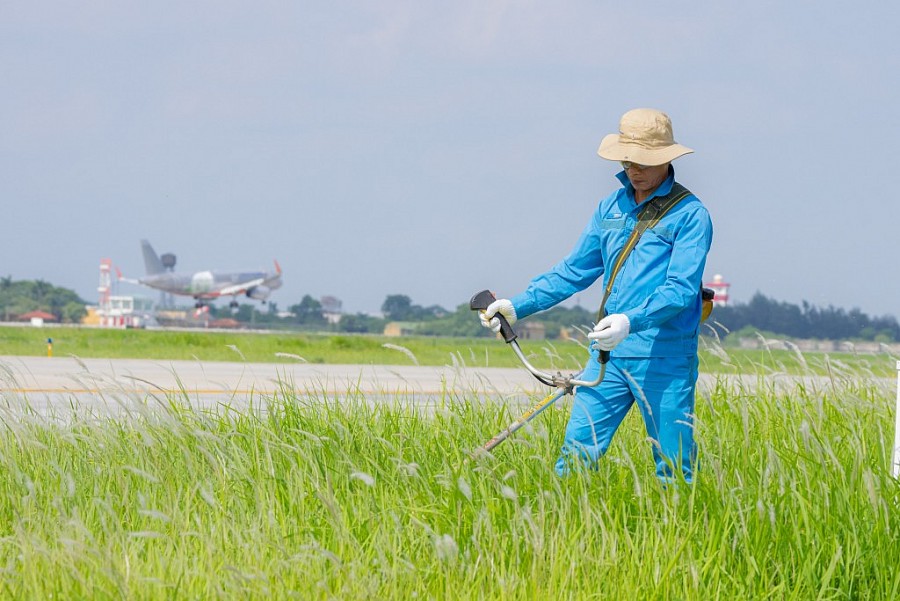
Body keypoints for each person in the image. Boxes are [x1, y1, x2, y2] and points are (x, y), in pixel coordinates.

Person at [479, 108, 713, 485]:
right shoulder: (610, 208)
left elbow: (681, 289)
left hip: (664, 356)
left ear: (665, 158)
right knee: (576, 454)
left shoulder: (690, 215)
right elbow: (573, 271)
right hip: (607, 357)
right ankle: (562, 529)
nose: (633, 168)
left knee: (674, 464)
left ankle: (680, 533)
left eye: (642, 161)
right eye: (627, 159)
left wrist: (629, 320)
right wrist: (517, 305)